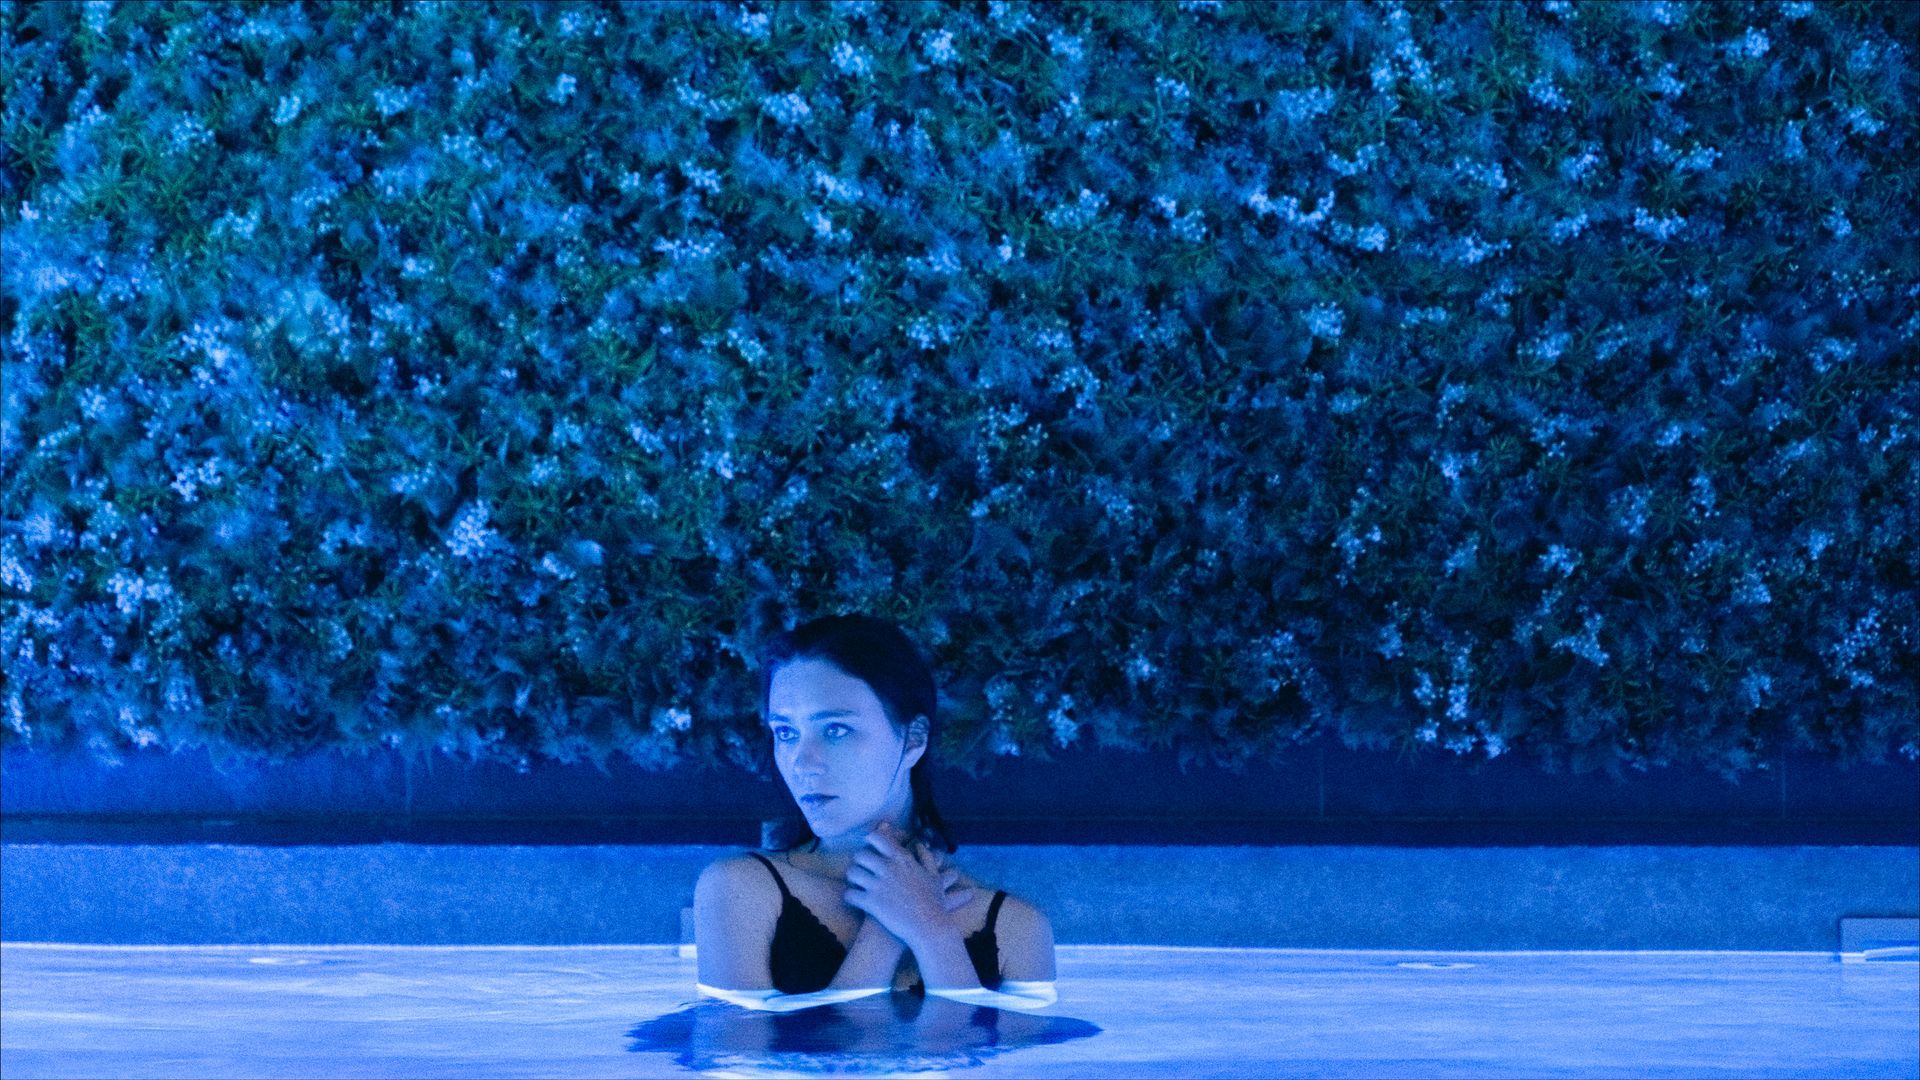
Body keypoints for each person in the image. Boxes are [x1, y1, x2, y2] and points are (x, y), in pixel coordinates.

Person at [694, 613, 1057, 1012]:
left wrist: (933, 931)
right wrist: (884, 933)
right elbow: (733, 1064)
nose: (802, 763)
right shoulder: (739, 890)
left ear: (913, 739)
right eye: (786, 733)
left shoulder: (1017, 928)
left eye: (835, 730)